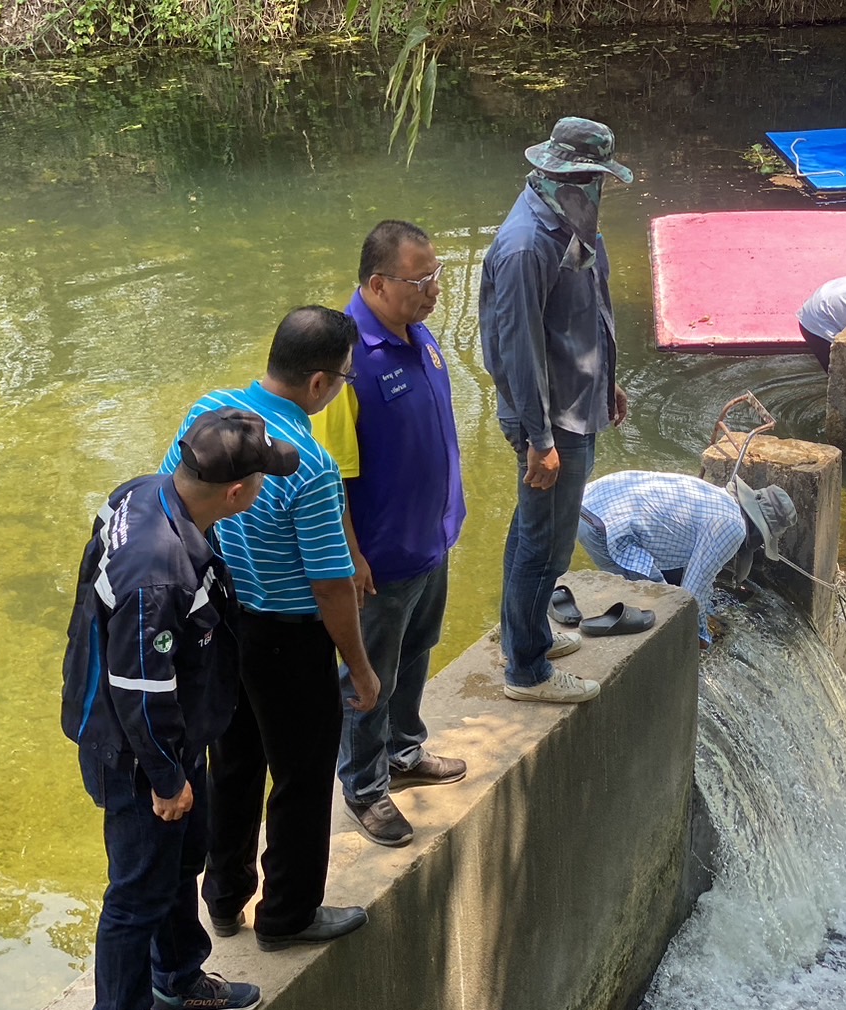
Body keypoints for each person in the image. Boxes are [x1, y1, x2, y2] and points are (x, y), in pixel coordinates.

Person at [61, 408, 300, 1010]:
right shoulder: (158, 568)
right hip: (137, 752)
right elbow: (137, 691)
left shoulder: (145, 491)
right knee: (137, 886)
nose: (262, 488)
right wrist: (166, 779)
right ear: (235, 493)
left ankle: (176, 979)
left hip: (174, 734)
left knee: (183, 858)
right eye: (261, 479)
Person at [160, 306, 378, 955]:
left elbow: (175, 501)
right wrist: (360, 668)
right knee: (302, 776)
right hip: (290, 640)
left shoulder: (212, 412)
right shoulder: (305, 463)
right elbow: (331, 585)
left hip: (222, 622)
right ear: (319, 384)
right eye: (342, 377)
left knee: (230, 763)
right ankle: (287, 913)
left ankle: (223, 901)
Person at [309, 220, 468, 849]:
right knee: (366, 674)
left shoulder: (419, 335)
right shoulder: (350, 361)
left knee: (419, 650)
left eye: (436, 275)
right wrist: (350, 552)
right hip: (382, 556)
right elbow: (332, 473)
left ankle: (406, 750)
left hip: (431, 540)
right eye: (420, 279)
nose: (433, 290)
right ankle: (365, 786)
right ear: (377, 283)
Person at [480, 116, 631, 705]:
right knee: (546, 545)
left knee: (532, 531)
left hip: (579, 400)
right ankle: (528, 671)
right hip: (551, 422)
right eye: (593, 176)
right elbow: (515, 351)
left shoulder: (574, 223)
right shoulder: (525, 246)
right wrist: (539, 440)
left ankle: (528, 632)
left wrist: (608, 381)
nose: (599, 187)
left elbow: (590, 310)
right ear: (563, 173)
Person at [578, 470, 795, 650]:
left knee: (663, 596)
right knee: (661, 607)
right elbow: (691, 593)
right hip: (607, 527)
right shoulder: (733, 527)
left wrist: (704, 610)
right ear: (759, 530)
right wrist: (702, 635)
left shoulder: (721, 498)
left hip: (589, 501)